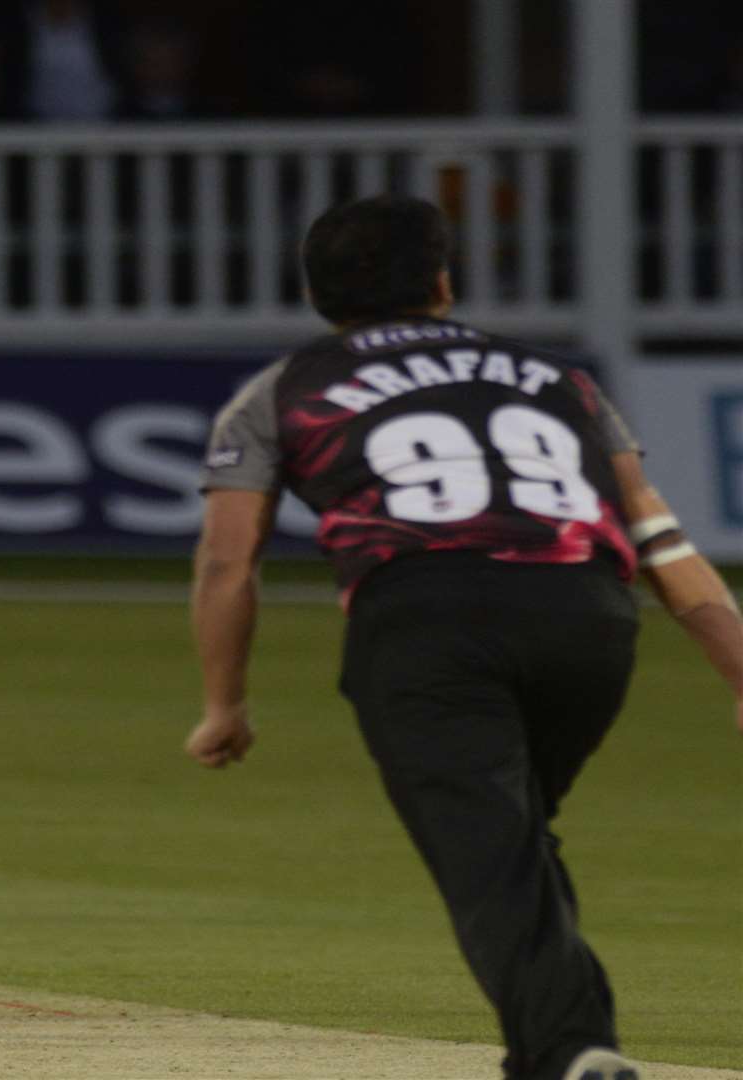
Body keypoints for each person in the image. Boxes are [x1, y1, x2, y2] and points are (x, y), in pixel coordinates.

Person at [188, 195, 743, 1080]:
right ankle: (549, 1053)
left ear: (319, 295)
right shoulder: (565, 381)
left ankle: (573, 1052)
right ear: (443, 283)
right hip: (589, 622)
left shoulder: (283, 389)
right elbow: (658, 538)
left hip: (424, 621)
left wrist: (224, 703)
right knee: (514, 836)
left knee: (487, 849)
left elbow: (228, 565)